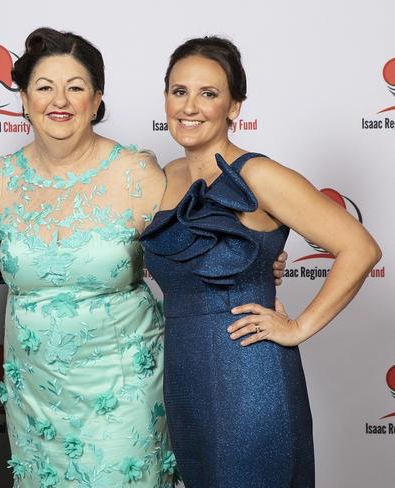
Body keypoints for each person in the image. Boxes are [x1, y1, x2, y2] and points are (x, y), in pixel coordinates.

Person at [140, 36, 381, 487]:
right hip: (184, 376)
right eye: (179, 91)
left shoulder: (259, 174)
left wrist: (298, 327)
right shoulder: (165, 175)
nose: (190, 106)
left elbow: (361, 248)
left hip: (250, 378)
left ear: (234, 106)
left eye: (208, 94)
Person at [0, 27, 175, 487]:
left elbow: (188, 256)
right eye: (44, 87)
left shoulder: (135, 172)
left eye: (76, 87)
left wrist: (252, 268)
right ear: (24, 99)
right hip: (35, 398)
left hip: (123, 386)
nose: (59, 100)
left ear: (96, 99)